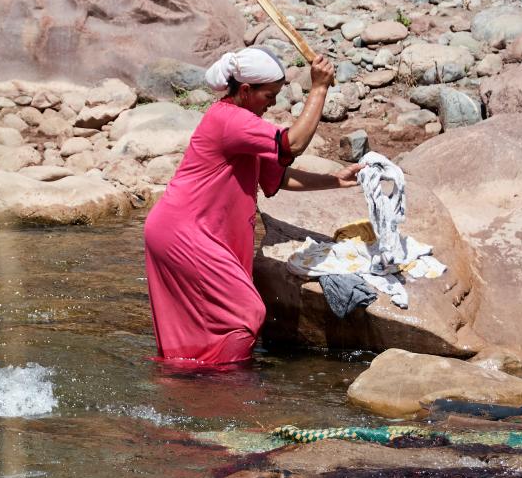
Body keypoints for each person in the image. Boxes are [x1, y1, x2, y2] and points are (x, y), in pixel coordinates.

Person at [143, 47, 362, 366]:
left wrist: (335, 180)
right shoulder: (229, 120)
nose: (273, 102)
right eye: (269, 95)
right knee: (248, 312)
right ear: (245, 91)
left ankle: (191, 384)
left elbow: (278, 177)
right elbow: (293, 144)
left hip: (187, 231)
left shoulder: (245, 123)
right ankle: (223, 386)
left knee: (208, 327)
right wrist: (319, 88)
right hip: (183, 233)